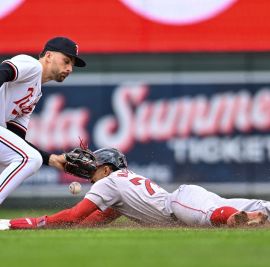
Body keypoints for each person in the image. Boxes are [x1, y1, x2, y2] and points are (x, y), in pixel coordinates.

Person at [0, 147, 269, 230]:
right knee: (249, 204)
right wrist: (71, 226)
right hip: (186, 199)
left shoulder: (108, 182)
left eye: (95, 164)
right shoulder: (120, 186)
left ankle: (239, 219)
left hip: (178, 205)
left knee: (214, 215)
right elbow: (94, 220)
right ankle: (255, 214)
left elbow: (74, 216)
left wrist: (22, 223)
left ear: (107, 169)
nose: (88, 168)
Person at [0, 36, 86, 204]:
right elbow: (4, 71)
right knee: (31, 158)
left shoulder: (35, 94)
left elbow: (17, 140)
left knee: (13, 160)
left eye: (72, 65)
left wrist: (52, 159)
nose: (69, 68)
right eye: (66, 61)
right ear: (48, 56)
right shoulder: (32, 66)